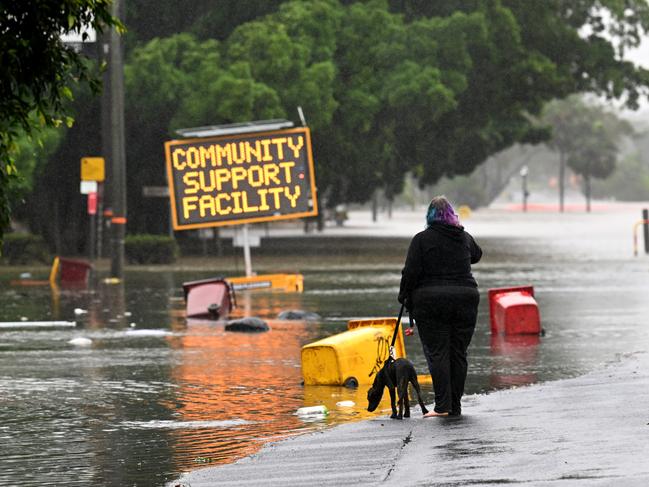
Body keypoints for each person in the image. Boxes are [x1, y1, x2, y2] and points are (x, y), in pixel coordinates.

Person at [398, 196, 482, 417]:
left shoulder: (421, 240)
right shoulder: (463, 237)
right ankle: (455, 405)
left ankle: (443, 407)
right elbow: (477, 255)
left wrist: (404, 297)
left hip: (431, 303)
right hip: (466, 300)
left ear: (429, 217)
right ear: (452, 215)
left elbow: (410, 273)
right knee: (458, 353)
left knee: (438, 353)